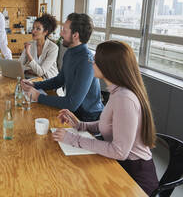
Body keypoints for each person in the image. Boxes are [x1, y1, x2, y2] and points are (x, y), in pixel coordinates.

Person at [53, 40, 159, 195]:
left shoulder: (124, 99)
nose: (92, 63)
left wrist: (73, 139)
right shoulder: (118, 92)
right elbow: (110, 124)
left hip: (134, 177)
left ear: (108, 66)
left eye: (95, 61)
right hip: (121, 165)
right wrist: (80, 125)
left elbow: (119, 151)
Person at [21, 13, 104, 121]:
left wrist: (38, 97)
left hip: (87, 119)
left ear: (75, 35)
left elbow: (72, 103)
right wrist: (35, 85)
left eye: (64, 31)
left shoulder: (86, 61)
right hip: (72, 113)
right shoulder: (70, 52)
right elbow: (59, 80)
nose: (60, 34)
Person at [18, 14, 59, 79]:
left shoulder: (53, 48)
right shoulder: (30, 44)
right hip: (35, 79)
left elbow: (41, 72)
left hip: (50, 81)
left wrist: (28, 53)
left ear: (45, 32)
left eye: (38, 29)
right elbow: (19, 65)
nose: (33, 31)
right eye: (33, 28)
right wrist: (30, 70)